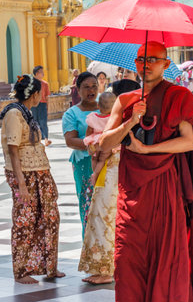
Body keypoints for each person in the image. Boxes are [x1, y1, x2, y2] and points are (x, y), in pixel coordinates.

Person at [99, 41, 193, 302]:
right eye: (142, 59)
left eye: (154, 59)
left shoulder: (180, 96)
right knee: (128, 258)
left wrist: (148, 149)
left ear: (166, 64)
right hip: (131, 189)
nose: (147, 64)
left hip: (165, 186)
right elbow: (104, 144)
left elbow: (189, 141)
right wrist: (132, 121)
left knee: (168, 254)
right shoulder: (124, 100)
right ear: (135, 64)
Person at [0, 75, 65, 284]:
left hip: (40, 172)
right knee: (24, 221)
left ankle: (49, 267)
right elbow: (12, 149)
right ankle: (21, 271)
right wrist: (21, 183)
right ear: (35, 94)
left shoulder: (26, 112)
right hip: (25, 174)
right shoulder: (13, 113)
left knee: (49, 218)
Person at [78, 91, 119, 285]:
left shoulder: (110, 122)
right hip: (108, 171)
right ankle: (101, 267)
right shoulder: (117, 122)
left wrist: (97, 153)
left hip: (111, 172)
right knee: (99, 216)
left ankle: (106, 268)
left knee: (103, 217)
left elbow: (93, 145)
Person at [62, 72, 99, 237]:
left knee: (108, 206)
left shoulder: (107, 109)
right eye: (86, 87)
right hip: (84, 164)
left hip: (107, 163)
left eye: (94, 86)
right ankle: (89, 252)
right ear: (77, 89)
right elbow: (70, 141)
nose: (91, 90)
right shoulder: (72, 114)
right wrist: (92, 144)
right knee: (88, 206)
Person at [31, 65, 52, 146]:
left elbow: (47, 96)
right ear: (36, 73)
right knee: (34, 121)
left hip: (42, 104)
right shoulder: (31, 83)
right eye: (41, 72)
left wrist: (47, 107)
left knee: (43, 121)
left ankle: (46, 139)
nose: (43, 74)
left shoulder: (45, 84)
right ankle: (37, 139)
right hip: (33, 104)